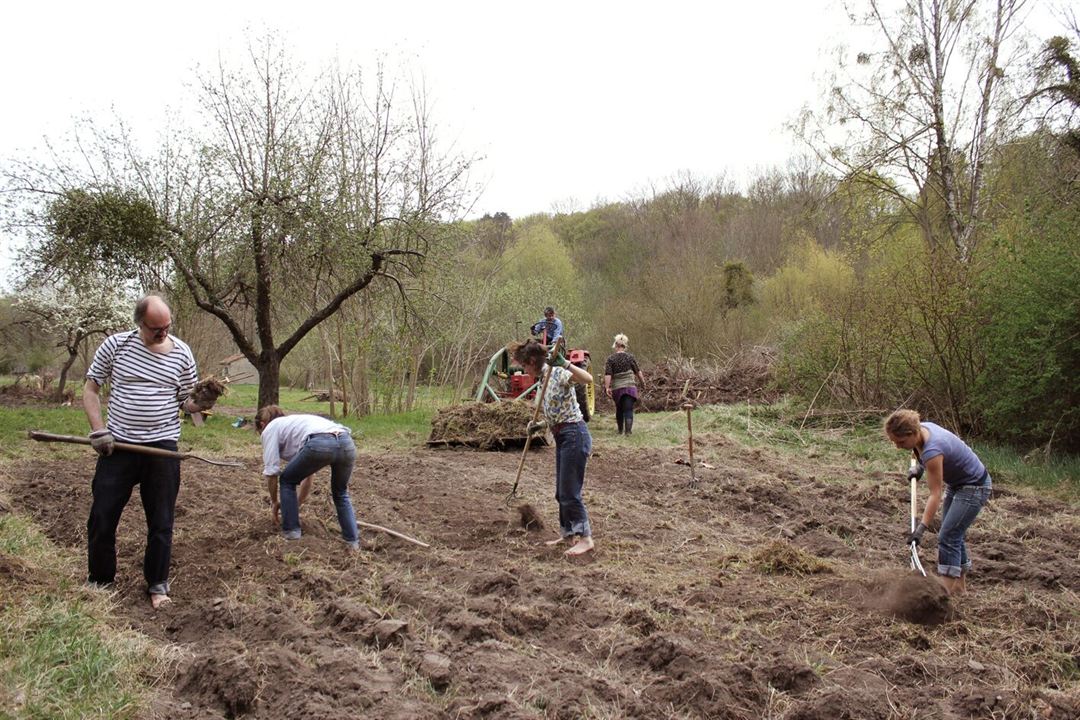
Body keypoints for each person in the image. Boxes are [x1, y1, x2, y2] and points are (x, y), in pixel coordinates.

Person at [83, 294, 214, 610]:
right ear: (140, 323)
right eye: (156, 328)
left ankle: (157, 584)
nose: (163, 333)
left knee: (161, 520)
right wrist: (99, 430)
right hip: (119, 445)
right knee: (102, 515)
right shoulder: (117, 346)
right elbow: (90, 389)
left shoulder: (182, 352)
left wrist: (204, 402)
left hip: (162, 447)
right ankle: (100, 581)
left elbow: (187, 402)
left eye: (167, 326)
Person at [884, 409, 992, 596]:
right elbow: (925, 453)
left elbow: (935, 494)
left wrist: (921, 528)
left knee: (948, 536)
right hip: (958, 484)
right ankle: (959, 587)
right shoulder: (923, 429)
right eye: (894, 442)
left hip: (974, 487)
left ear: (913, 433)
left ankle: (942, 595)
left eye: (901, 442)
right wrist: (920, 467)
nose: (898, 446)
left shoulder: (933, 449)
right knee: (954, 532)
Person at [513, 339, 595, 556]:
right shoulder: (543, 380)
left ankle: (585, 538)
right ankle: (568, 534)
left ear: (531, 361)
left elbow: (587, 379)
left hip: (575, 434)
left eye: (524, 365)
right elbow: (555, 412)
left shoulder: (557, 372)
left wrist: (566, 364)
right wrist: (539, 425)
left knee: (570, 491)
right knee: (561, 492)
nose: (523, 369)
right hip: (561, 435)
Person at [255, 405, 360, 550]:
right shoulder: (296, 425)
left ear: (262, 425)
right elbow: (308, 475)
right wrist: (294, 506)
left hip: (320, 442)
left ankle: (291, 533)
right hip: (346, 442)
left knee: (286, 480)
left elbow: (272, 472)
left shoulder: (270, 428)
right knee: (340, 493)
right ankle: (352, 542)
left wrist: (274, 502)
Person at [603, 333, 647, 435]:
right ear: (624, 346)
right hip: (629, 387)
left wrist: (607, 387)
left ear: (616, 346)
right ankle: (628, 431)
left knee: (619, 409)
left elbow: (608, 374)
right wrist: (642, 383)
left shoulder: (611, 359)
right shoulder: (630, 357)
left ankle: (620, 430)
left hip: (617, 389)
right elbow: (638, 372)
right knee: (628, 409)